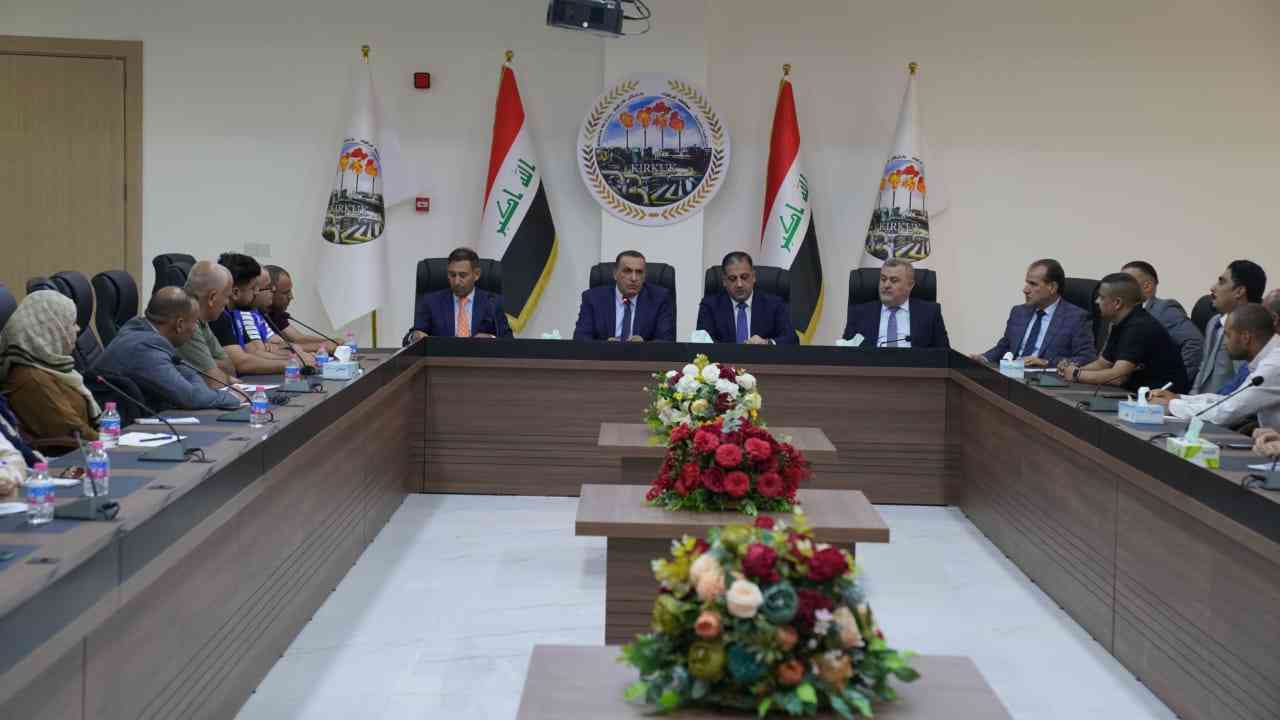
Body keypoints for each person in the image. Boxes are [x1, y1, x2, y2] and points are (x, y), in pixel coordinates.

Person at [95, 288, 241, 412]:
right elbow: (190, 397)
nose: (195, 329)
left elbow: (188, 377)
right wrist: (233, 398)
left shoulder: (141, 331)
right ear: (179, 324)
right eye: (194, 323)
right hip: (115, 428)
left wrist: (198, 390)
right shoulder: (146, 347)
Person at [1149, 304, 1280, 428]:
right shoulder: (1268, 358)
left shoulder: (1274, 366)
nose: (1225, 343)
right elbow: (1231, 400)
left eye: (1228, 335)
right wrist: (1179, 398)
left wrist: (1172, 405)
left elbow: (1227, 412)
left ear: (1245, 337)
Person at [1056, 273, 1189, 393]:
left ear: (1117, 303)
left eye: (1101, 297)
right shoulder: (1120, 322)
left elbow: (1117, 377)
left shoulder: (1139, 327)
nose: (1097, 301)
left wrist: (1077, 375)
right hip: (1137, 393)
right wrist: (1073, 369)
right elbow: (1103, 364)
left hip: (1164, 398)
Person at [0, 290, 99, 449]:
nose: (78, 328)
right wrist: (115, 444)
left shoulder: (51, 367)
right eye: (72, 323)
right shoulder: (32, 380)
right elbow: (75, 432)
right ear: (51, 330)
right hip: (68, 458)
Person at [974, 259, 1093, 366]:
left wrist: (1046, 362)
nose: (1025, 290)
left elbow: (1086, 358)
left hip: (1044, 379)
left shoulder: (1076, 318)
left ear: (1052, 287)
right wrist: (983, 358)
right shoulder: (1019, 312)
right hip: (1012, 374)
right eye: (1027, 283)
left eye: (1033, 284)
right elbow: (1005, 347)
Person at [210, 253, 300, 375]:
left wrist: (294, 358)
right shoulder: (218, 316)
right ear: (235, 293)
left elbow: (253, 352)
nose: (257, 293)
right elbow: (241, 363)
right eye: (253, 288)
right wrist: (293, 364)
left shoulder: (237, 313)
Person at [405, 248, 512, 343]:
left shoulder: (492, 302)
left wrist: (492, 338)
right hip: (442, 357)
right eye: (452, 275)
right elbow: (409, 339)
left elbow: (508, 340)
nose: (456, 281)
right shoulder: (431, 302)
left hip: (480, 357)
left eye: (462, 275)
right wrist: (414, 336)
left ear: (476, 274)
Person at [1191, 260, 1266, 394]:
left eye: (1222, 282)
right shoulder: (1214, 322)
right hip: (1197, 402)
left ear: (1239, 291)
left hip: (1225, 402)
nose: (1213, 288)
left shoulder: (1252, 332)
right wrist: (1187, 398)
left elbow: (1242, 384)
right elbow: (1203, 369)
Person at [1122, 261, 1204, 381]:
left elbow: (1195, 343)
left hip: (1153, 387)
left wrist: (1175, 381)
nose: (1119, 287)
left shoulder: (1164, 310)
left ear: (1147, 286)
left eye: (1125, 282)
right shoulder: (1122, 314)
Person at [843, 258, 949, 348]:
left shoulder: (930, 313)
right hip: (871, 366)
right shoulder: (859, 313)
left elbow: (944, 355)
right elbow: (845, 354)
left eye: (894, 280)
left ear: (910, 285)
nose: (886, 285)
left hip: (914, 366)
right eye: (883, 279)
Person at [696, 252, 797, 345]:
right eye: (732, 279)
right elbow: (701, 343)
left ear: (753, 277)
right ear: (724, 281)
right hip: (723, 359)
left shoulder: (774, 304)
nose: (739, 284)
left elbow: (792, 339)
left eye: (744, 277)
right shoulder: (710, 306)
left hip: (762, 358)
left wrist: (767, 343)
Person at [573, 250, 674, 342]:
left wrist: (644, 346)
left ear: (644, 276)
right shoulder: (592, 298)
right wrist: (605, 346)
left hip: (643, 356)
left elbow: (666, 341)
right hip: (605, 356)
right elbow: (580, 339)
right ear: (615, 274)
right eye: (627, 271)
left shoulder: (660, 299)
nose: (634, 278)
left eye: (639, 272)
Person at [178, 260, 240, 390]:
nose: (228, 303)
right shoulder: (185, 322)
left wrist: (210, 365)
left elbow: (230, 368)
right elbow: (215, 382)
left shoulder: (201, 319)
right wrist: (219, 373)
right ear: (212, 297)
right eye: (227, 296)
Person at [263, 265, 338, 353]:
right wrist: (323, 346)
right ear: (270, 291)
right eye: (285, 293)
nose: (291, 297)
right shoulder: (254, 315)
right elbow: (278, 348)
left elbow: (298, 338)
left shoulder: (274, 313)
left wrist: (331, 341)